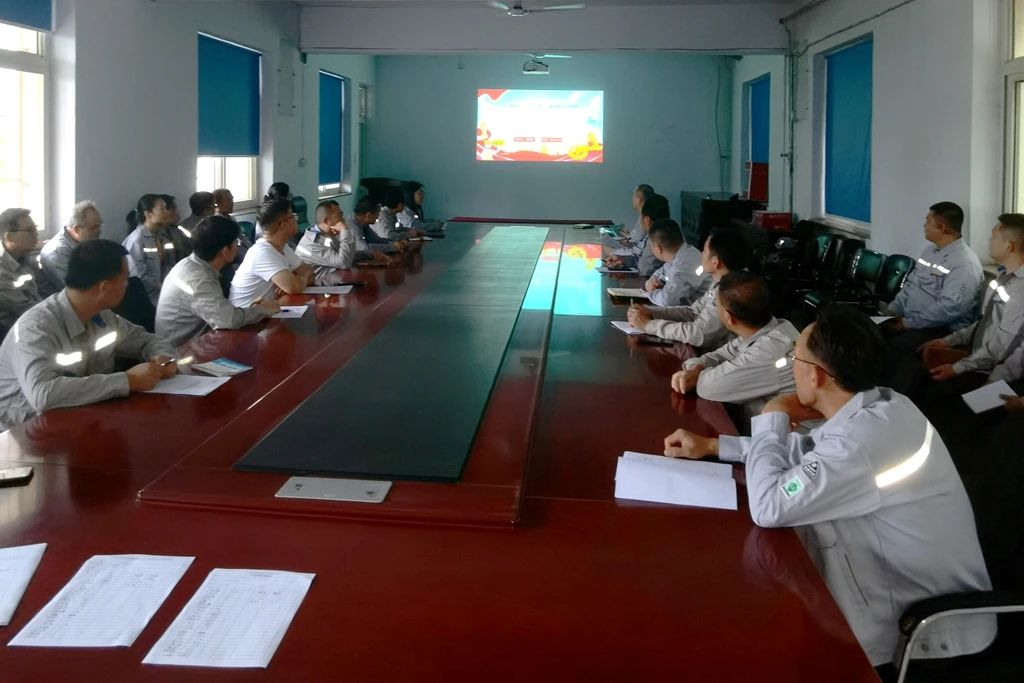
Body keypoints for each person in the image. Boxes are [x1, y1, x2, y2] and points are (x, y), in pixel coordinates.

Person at [662, 306, 996, 672]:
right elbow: (812, 454)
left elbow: (770, 505)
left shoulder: (861, 443)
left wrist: (773, 415)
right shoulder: (884, 404)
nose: (791, 367)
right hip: (881, 576)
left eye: (795, 359)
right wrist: (716, 446)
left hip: (925, 630)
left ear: (816, 375)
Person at [0, 239, 177, 430]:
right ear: (104, 288)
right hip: (25, 430)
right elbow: (43, 394)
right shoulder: (36, 327)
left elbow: (146, 340)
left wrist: (162, 357)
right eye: (124, 279)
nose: (127, 286)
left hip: (80, 417)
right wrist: (127, 381)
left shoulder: (101, 316)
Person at [919, 214, 1024, 398]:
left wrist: (957, 369)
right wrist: (948, 341)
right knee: (921, 378)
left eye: (994, 237)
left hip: (1000, 379)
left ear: (1009, 246)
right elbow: (984, 323)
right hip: (979, 362)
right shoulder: (1004, 277)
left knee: (934, 395)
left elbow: (1001, 346)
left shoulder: (1020, 289)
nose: (989, 241)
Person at [670, 271, 798, 416]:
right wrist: (696, 367)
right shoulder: (767, 329)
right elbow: (720, 355)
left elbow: (708, 387)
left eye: (716, 305)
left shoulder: (771, 349)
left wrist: (696, 374)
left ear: (728, 317)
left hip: (780, 430)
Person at [156, 215, 279, 347]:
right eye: (236, 242)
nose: (238, 247)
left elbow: (220, 314)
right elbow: (228, 320)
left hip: (203, 340)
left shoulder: (195, 265)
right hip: (181, 353)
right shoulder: (197, 279)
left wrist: (249, 311)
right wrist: (262, 310)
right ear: (225, 251)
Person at [882, 202, 984, 350]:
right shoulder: (929, 252)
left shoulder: (964, 263)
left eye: (928, 222)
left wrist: (907, 323)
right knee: (870, 333)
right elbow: (911, 285)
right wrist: (891, 312)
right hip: (912, 321)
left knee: (893, 348)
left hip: (941, 330)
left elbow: (949, 308)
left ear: (941, 227)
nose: (924, 225)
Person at [628, 226, 746, 348]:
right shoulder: (720, 283)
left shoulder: (732, 291)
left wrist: (649, 325)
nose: (701, 254)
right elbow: (693, 312)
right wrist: (651, 311)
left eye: (704, 251)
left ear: (715, 262)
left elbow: (699, 334)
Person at [229, 198, 314, 307]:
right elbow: (293, 287)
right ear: (284, 224)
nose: (296, 220)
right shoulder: (262, 252)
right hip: (246, 314)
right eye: (293, 216)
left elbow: (309, 272)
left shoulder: (283, 247)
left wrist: (295, 280)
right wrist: (296, 280)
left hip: (267, 310)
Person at [122, 194, 190, 305]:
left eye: (166, 208)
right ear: (148, 214)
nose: (166, 212)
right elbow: (138, 276)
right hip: (146, 299)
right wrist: (161, 286)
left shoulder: (163, 237)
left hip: (165, 294)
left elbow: (170, 263)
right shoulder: (136, 240)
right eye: (162, 209)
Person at [296, 200, 385, 279]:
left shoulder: (328, 234)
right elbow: (344, 263)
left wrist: (370, 254)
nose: (343, 220)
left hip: (335, 281)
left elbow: (346, 254)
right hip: (318, 288)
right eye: (340, 215)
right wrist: (345, 230)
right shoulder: (312, 244)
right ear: (327, 221)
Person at [39, 201, 104, 296]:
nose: (99, 231)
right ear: (77, 229)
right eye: (94, 228)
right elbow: (76, 290)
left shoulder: (86, 242)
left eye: (99, 226)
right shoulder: (57, 253)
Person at [641, 218, 709, 307]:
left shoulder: (684, 264)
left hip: (700, 312)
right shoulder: (681, 253)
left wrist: (650, 292)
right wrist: (651, 281)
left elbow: (667, 301)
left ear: (658, 249)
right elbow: (661, 272)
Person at [0, 208, 43, 335]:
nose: (36, 234)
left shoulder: (22, 254)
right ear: (9, 237)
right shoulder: (2, 272)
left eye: (35, 228)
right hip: (13, 333)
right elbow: (27, 310)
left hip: (33, 320)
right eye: (30, 230)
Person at [604, 193, 670, 276]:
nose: (640, 221)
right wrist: (622, 260)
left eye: (641, 216)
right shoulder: (654, 234)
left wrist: (623, 263)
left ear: (647, 220)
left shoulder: (657, 239)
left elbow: (644, 270)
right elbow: (639, 256)